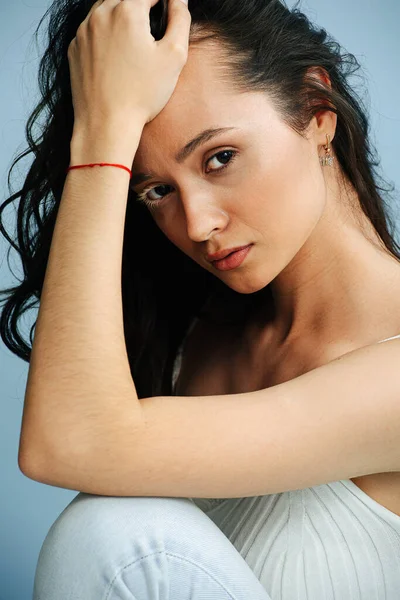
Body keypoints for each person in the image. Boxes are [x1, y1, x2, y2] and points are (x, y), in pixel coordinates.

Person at [1, 0, 400, 598]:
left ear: (316, 111)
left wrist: (101, 134)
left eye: (220, 158)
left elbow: (68, 444)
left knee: (116, 531)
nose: (195, 224)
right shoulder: (192, 331)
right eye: (157, 190)